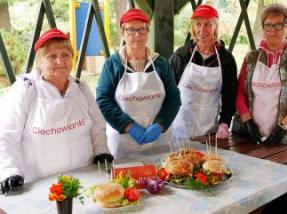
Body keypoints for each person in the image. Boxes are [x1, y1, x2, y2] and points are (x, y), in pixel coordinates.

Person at [0, 28, 113, 195]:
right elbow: (6, 135)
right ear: (40, 61)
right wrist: (9, 170)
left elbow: (97, 124)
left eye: (65, 55)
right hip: (41, 185)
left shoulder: (81, 88)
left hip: (84, 179)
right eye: (52, 57)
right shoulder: (25, 90)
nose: (60, 61)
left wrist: (101, 150)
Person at [96, 9, 181, 159]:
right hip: (124, 141)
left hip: (158, 139)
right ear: (122, 33)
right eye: (131, 30)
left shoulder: (161, 64)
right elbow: (104, 100)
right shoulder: (112, 65)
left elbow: (173, 98)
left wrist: (160, 125)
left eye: (142, 29)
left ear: (148, 32)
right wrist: (129, 126)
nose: (137, 35)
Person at [232, 3, 287, 148]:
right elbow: (239, 93)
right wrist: (247, 122)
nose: (272, 30)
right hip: (250, 138)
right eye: (268, 25)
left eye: (279, 25)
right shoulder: (251, 58)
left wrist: (283, 128)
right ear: (263, 29)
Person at [169, 5, 237, 139]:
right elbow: (168, 91)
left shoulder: (226, 60)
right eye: (198, 24)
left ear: (216, 27)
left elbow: (230, 96)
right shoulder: (181, 56)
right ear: (193, 27)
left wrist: (224, 123)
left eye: (208, 24)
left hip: (209, 132)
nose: (202, 29)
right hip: (179, 129)